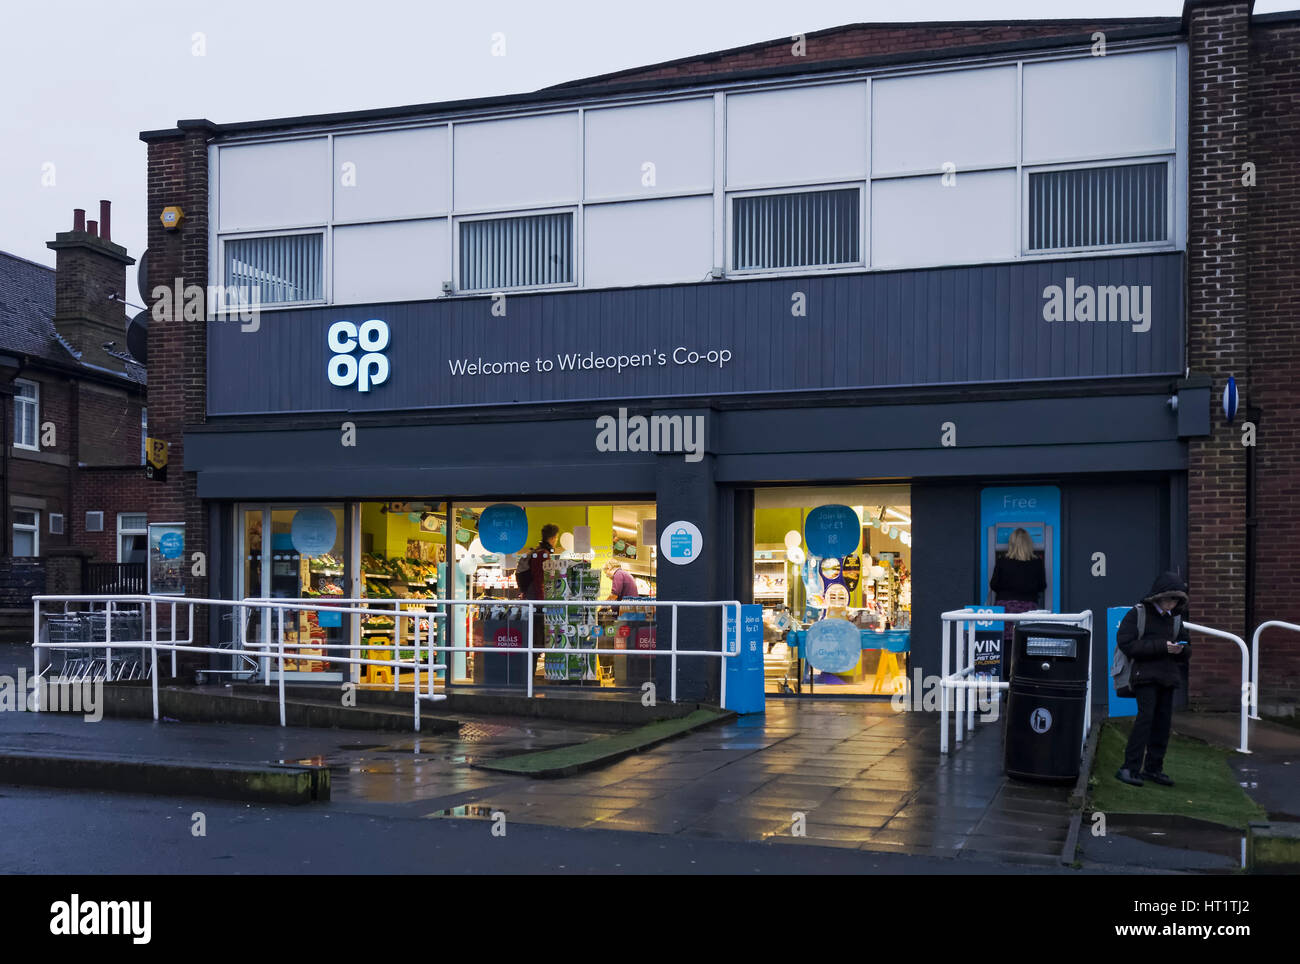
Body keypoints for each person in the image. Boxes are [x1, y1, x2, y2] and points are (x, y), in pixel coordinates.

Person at [1115, 572, 1190, 787]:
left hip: (1167, 676)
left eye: (1176, 599)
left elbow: (1187, 646)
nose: (1172, 603)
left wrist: (1181, 650)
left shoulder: (1175, 619)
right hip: (1144, 676)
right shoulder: (1138, 614)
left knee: (1162, 723)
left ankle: (1153, 769)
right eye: (1169, 598)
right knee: (1145, 719)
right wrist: (1163, 647)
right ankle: (1129, 768)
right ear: (1157, 596)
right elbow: (1126, 644)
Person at [989, 527, 1048, 665]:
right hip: (1028, 608)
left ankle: (1005, 678)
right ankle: (1024, 677)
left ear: (1012, 543)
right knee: (1026, 643)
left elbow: (993, 585)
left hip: (1005, 610)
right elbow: (1042, 586)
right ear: (1029, 544)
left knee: (1004, 645)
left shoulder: (1002, 561)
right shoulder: (1036, 563)